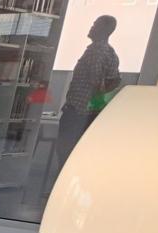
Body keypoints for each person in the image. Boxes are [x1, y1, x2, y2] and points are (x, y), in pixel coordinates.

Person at [55, 15, 120, 173]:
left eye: (95, 25)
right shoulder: (110, 52)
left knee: (66, 153)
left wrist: (99, 91)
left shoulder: (96, 51)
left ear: (105, 30)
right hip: (91, 112)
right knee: (78, 154)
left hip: (78, 112)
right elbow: (116, 80)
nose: (91, 27)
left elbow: (96, 80)